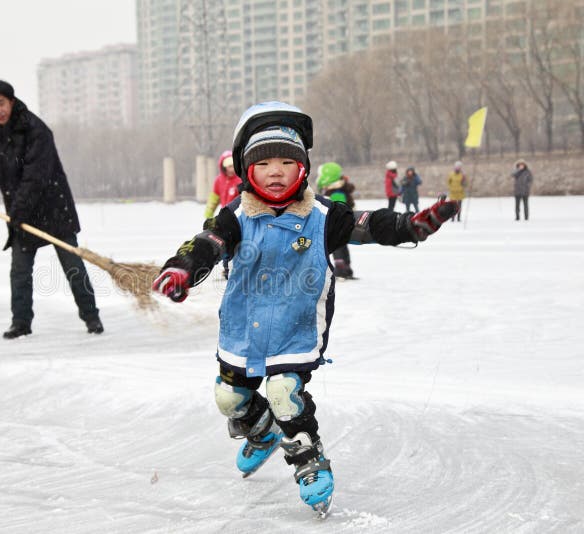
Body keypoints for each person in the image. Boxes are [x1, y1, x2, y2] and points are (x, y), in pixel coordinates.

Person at [151, 102, 458, 516]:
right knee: (228, 398)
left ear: (303, 169)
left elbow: (369, 224)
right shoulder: (236, 216)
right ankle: (260, 430)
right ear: (246, 171)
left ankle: (308, 461)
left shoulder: (322, 216)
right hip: (244, 328)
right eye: (264, 164)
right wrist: (183, 268)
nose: (275, 171)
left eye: (286, 161)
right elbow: (207, 243)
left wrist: (410, 225)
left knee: (283, 392)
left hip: (295, 328)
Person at [0, 80, 103, 339]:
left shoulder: (35, 129)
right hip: (22, 214)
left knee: (72, 266)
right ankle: (20, 323)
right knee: (20, 271)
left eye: (0, 103)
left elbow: (36, 175)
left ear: (11, 101)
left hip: (53, 208)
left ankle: (92, 318)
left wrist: (18, 210)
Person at [205, 150, 243, 278]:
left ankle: (236, 266)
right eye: (228, 166)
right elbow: (214, 199)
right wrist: (209, 214)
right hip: (224, 217)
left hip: (237, 217)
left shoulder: (240, 180)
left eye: (233, 165)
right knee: (225, 242)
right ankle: (226, 268)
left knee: (236, 243)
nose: (231, 169)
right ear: (223, 166)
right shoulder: (219, 181)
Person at [317, 162, 355, 279]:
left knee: (338, 246)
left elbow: (340, 209)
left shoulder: (336, 192)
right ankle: (346, 268)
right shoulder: (335, 190)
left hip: (339, 224)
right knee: (341, 245)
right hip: (341, 224)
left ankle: (341, 268)